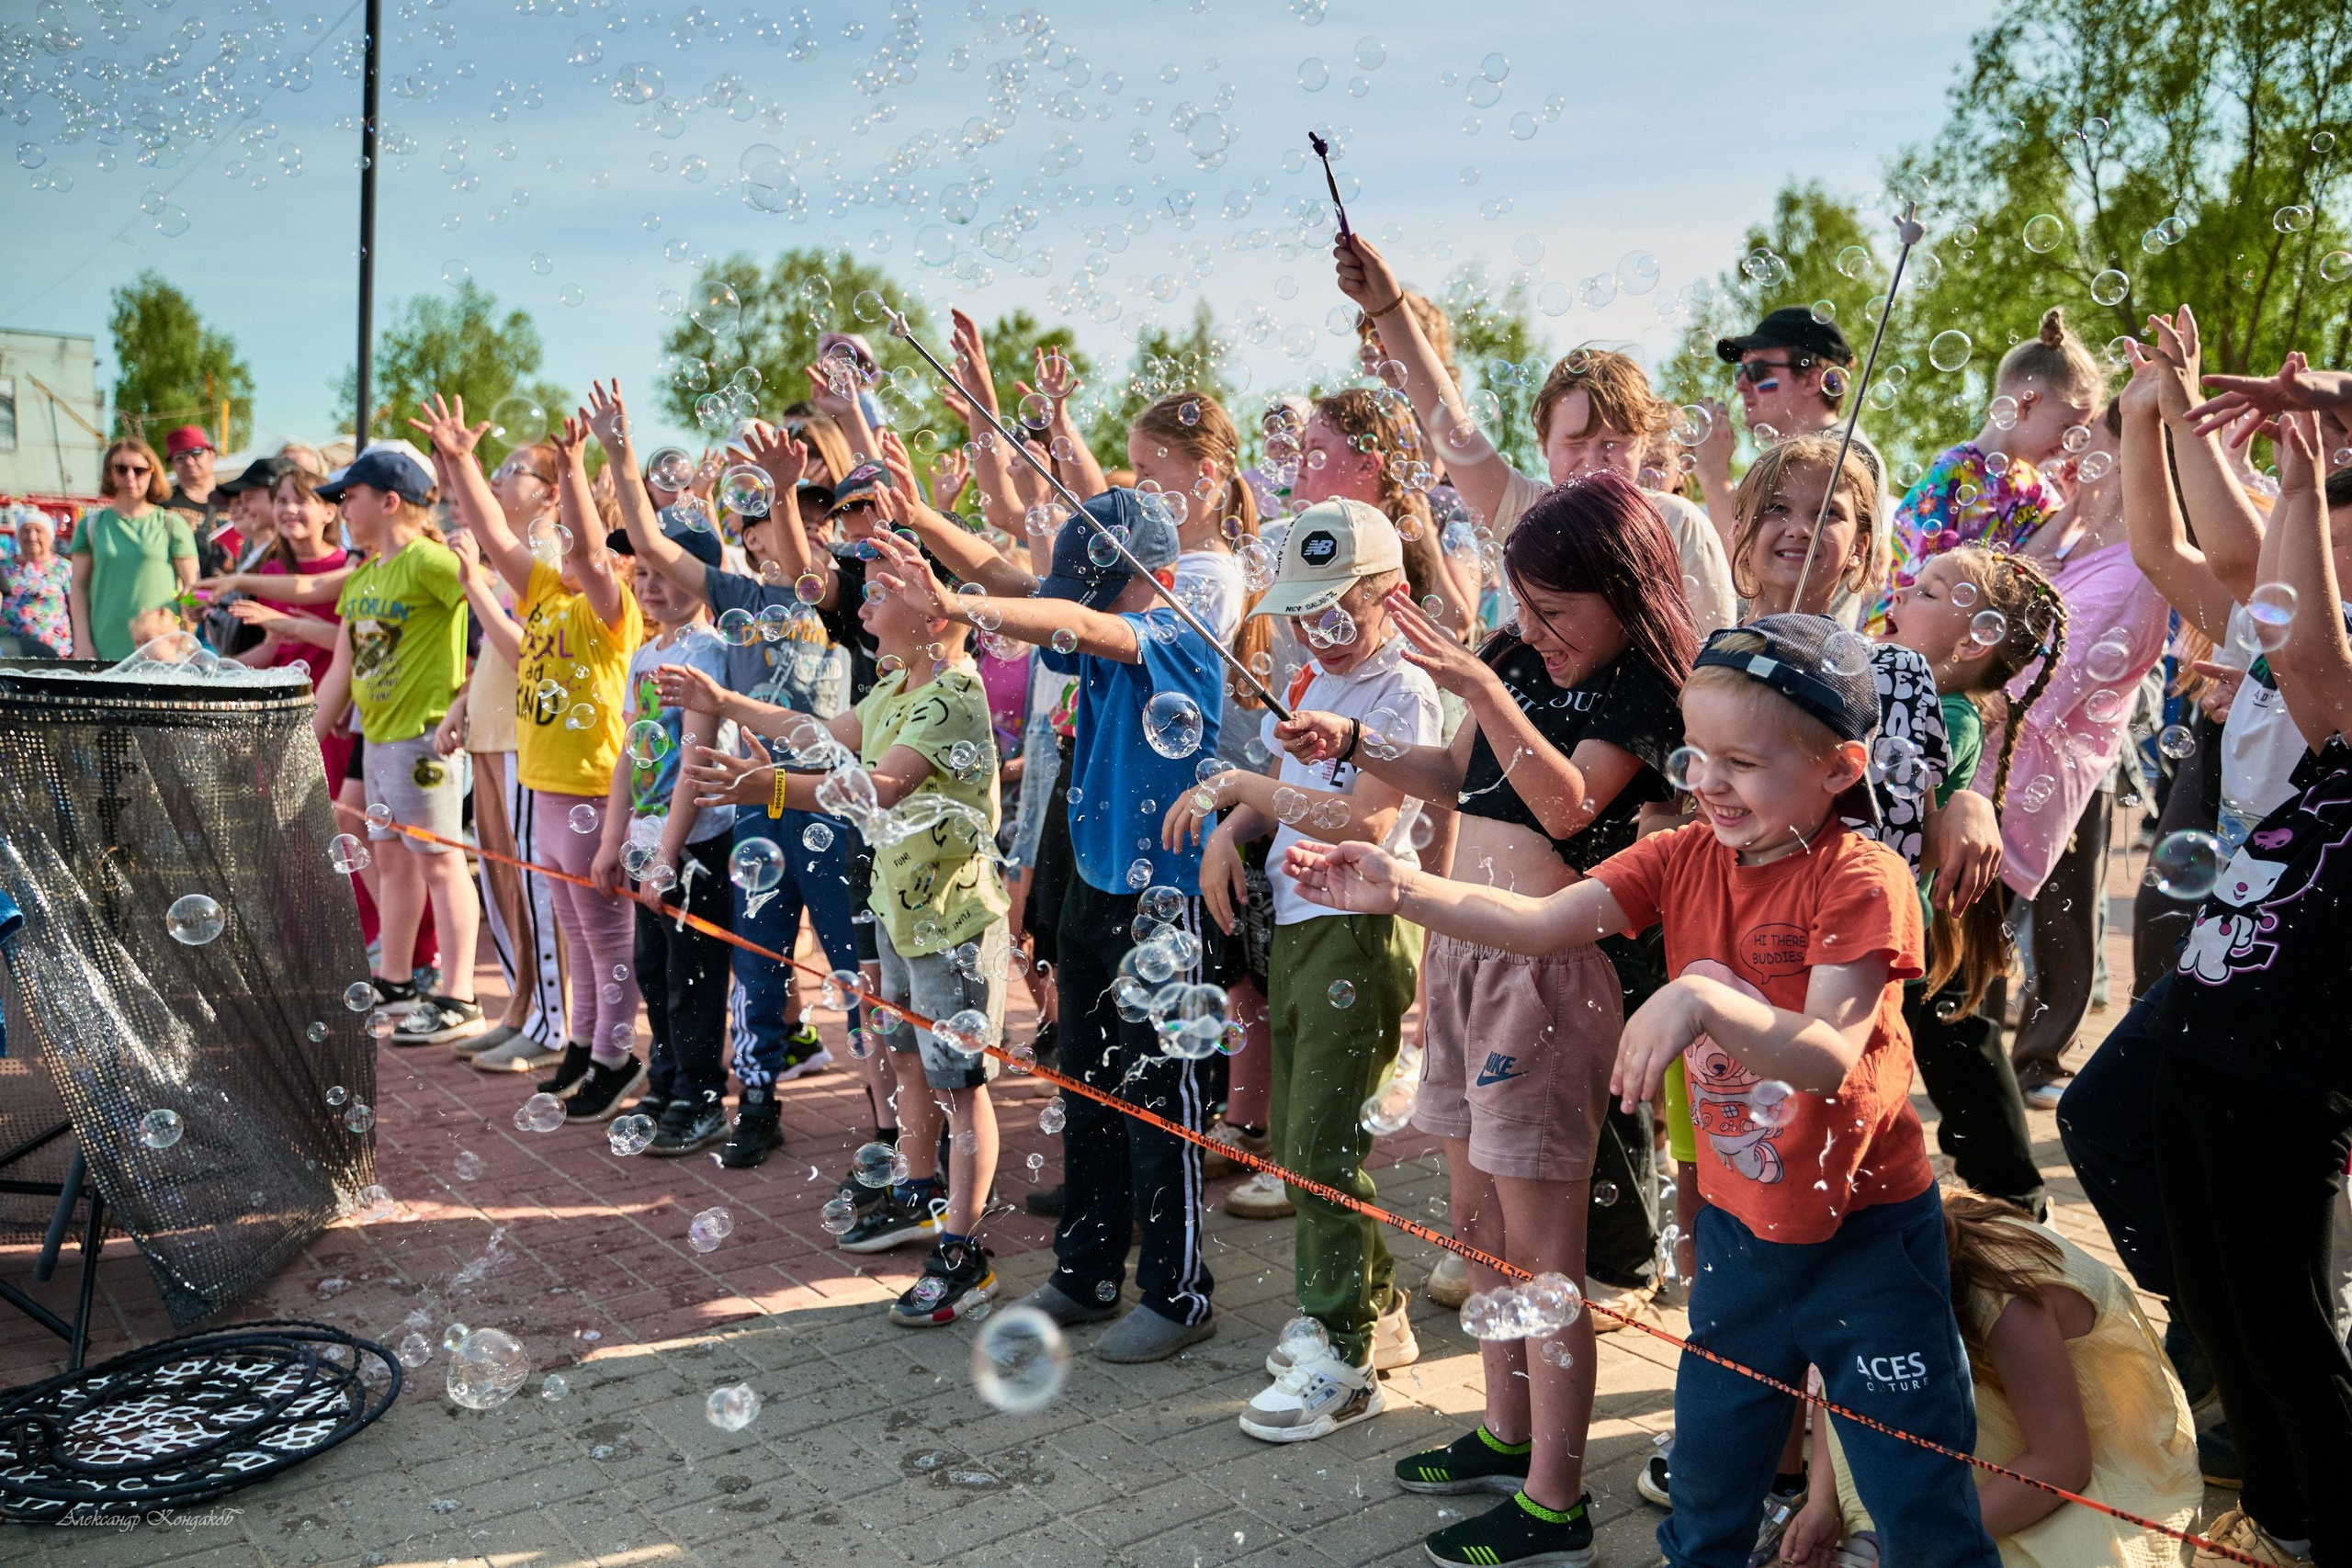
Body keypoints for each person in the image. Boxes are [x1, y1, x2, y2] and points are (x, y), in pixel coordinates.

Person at [1286, 614, 2000, 1568]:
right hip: (1744, 1241)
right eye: (1695, 755)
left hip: (1869, 1239)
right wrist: (1402, 889)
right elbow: (1544, 922)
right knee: (1708, 1486)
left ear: (1838, 769)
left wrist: (1699, 996)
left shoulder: (1864, 879)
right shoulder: (1682, 856)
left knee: (1918, 1500)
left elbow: (1827, 1052)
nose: (1705, 783)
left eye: (1740, 763)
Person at [1280, 475, 1695, 1561]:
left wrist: (1476, 677)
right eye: (1522, 609)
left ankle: (1557, 1501)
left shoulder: (1647, 689)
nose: (1532, 633)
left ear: (1628, 591)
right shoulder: (1511, 660)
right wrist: (1350, 746)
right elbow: (1456, 778)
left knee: (1542, 1253)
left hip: (1550, 973)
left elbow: (1565, 802)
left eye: (1556, 613)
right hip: (1464, 947)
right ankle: (1506, 1437)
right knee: (1479, 1231)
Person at [903, 486, 1227, 1361]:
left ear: (1156, 578)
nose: (1072, 610)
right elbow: (1027, 584)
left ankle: (1178, 1289)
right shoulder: (1100, 611)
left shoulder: (1178, 634)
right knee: (1085, 1085)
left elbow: (1078, 625)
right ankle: (1087, 1269)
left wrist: (958, 606)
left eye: (1094, 592)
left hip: (1165, 901)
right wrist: (929, 523)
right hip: (1090, 886)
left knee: (1160, 1104)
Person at [1161, 499, 1442, 1441]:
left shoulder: (1402, 693)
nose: (1310, 630)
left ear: (1389, 598)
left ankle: (1345, 1348)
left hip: (1356, 934)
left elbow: (1360, 819)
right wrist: (1232, 829)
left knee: (1321, 1147)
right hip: (1300, 925)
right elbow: (1299, 797)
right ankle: (1374, 1307)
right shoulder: (1317, 684)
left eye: (1333, 609)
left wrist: (1243, 787)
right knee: (1296, 1131)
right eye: (1299, 610)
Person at [688, 525, 1015, 1324]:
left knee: (958, 1086)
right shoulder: (895, 686)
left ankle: (964, 1252)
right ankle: (919, 1190)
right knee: (903, 1060)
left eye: (884, 583)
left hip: (953, 924)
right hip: (903, 918)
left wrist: (763, 787)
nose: (863, 592)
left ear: (937, 610)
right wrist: (728, 704)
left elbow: (875, 790)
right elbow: (821, 738)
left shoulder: (952, 694)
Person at [2137, 403, 2352, 1568]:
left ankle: (2319, 1522)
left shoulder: (2342, 690)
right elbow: (2241, 573)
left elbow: (2312, 656)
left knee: (2284, 1328)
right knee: (2224, 1309)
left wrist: (2303, 489)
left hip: (2290, 1057)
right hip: (2208, 1023)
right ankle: (2277, 1518)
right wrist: (2174, 417)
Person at [604, 386, 866, 1168]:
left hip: (826, 803)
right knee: (756, 961)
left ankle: (892, 1121)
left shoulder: (834, 600)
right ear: (741, 536)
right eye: (762, 520)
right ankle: (755, 1099)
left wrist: (785, 490)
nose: (787, 534)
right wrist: (621, 457)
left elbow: (801, 564)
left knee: (857, 966)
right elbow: (650, 548)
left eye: (814, 521)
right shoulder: (735, 597)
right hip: (755, 812)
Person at [415, 394, 645, 1119]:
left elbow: (582, 549)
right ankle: (581, 1045)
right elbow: (488, 527)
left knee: (606, 935)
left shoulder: (608, 610)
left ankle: (615, 1055)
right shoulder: (544, 593)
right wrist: (457, 461)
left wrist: (576, 470)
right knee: (574, 930)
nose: (561, 553)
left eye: (578, 545)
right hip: (546, 785)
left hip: (588, 787)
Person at [1332, 233, 1736, 639]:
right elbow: (1447, 419)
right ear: (1543, 445)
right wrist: (1386, 307)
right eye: (1575, 443)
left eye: (1614, 443)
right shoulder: (1524, 513)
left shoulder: (1675, 522)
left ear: (1644, 443)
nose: (1594, 459)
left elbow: (1709, 660)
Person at [1778, 1188, 2200, 1568]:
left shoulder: (2006, 1298)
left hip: (2093, 1444)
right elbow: (1843, 1383)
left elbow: (2063, 1464)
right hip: (1998, 1409)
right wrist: (1821, 1503)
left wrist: (1924, 1546)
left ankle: (1909, 1534)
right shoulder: (1867, 1265)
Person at [1980, 400, 2166, 1109]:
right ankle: (1990, 1079)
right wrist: (2074, 509)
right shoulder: (2084, 536)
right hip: (2003, 770)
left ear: (2132, 455)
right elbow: (2011, 584)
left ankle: (2012, 1098)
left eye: (2096, 439)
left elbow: (2048, 680)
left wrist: (1958, 698)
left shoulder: (2135, 571)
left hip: (2030, 775)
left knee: (1988, 948)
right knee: (1973, 943)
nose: (2074, 446)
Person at [1875, 545, 2066, 1214]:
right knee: (1955, 1037)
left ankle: (2012, 1194)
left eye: (1927, 593)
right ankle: (2007, 1184)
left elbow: (1891, 786)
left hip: (1898, 919)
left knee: (1950, 1040)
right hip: (1905, 914)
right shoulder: (1910, 686)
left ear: (1973, 645)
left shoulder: (1946, 711)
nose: (1902, 593)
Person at [309, 443, 485, 1043]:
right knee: (389, 858)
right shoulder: (363, 576)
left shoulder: (430, 561)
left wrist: (465, 699)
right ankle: (396, 977)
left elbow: (484, 603)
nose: (340, 509)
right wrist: (302, 742)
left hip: (424, 738)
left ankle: (460, 994)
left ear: (389, 501)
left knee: (440, 860)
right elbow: (341, 670)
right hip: (380, 739)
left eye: (348, 497)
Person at [594, 522, 735, 1156]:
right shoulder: (646, 655)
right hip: (648, 841)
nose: (649, 585)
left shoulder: (707, 653)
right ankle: (668, 1075)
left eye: (663, 571)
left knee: (693, 975)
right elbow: (630, 754)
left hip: (696, 844)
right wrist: (610, 840)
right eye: (641, 572)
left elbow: (697, 757)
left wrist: (669, 855)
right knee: (654, 968)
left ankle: (701, 1094)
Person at [452, 437, 573, 1075]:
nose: (501, 480)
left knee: (530, 884)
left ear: (552, 492)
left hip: (525, 734)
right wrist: (460, 706)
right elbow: (495, 656)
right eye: (493, 472)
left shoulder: (549, 552)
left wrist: (472, 584)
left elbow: (531, 650)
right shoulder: (512, 561)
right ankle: (520, 1004)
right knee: (501, 880)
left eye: (512, 471)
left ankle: (550, 1021)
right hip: (489, 727)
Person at [1883, 309, 2106, 615]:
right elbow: (1928, 577)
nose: (2070, 444)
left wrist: (2077, 503)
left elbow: (2048, 560)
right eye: (2068, 428)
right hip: (1901, 632)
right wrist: (2013, 573)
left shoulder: (2037, 491)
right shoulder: (1953, 472)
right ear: (2027, 404)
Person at [68, 437, 196, 661]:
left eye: (139, 470)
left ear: (152, 473)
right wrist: (83, 642)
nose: (130, 476)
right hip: (105, 644)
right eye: (121, 468)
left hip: (163, 648)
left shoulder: (171, 523)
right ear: (109, 473)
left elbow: (194, 587)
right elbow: (78, 587)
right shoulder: (90, 525)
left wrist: (187, 641)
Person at [162, 424, 231, 574]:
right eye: (180, 457)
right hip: (182, 593)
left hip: (229, 591)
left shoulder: (235, 500)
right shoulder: (162, 503)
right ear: (173, 464)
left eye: (196, 453)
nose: (189, 462)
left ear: (212, 455)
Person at [1, 512, 73, 656]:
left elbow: (77, 608)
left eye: (38, 531)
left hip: (54, 650)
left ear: (50, 536)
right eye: (25, 531)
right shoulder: (3, 567)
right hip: (9, 649)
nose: (32, 537)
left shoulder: (64, 568)